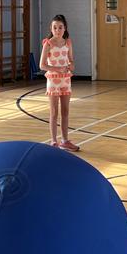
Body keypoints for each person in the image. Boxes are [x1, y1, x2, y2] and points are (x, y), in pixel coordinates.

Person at [39, 14, 79, 151]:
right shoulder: (48, 44)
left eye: (60, 27)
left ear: (65, 28)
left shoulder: (68, 42)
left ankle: (65, 140)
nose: (57, 30)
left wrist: (71, 66)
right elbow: (42, 65)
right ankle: (54, 141)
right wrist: (57, 69)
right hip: (53, 81)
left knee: (66, 111)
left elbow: (71, 60)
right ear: (51, 28)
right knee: (54, 112)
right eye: (55, 27)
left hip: (65, 80)